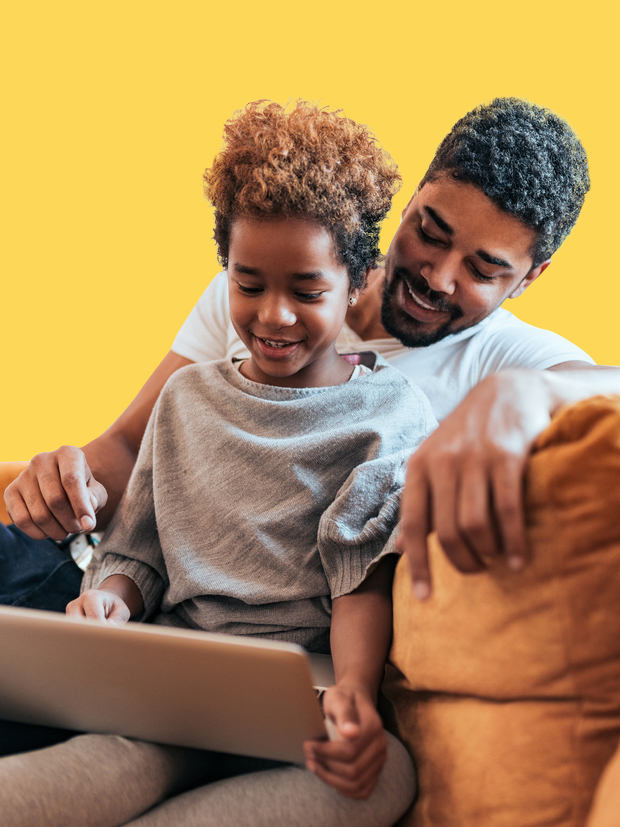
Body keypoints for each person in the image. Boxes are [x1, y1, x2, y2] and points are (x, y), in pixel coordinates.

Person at [3, 97, 615, 606]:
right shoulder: (268, 284)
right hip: (98, 575)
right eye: (431, 233)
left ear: (530, 277)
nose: (438, 276)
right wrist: (65, 481)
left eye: (483, 269)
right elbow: (131, 445)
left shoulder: (502, 358)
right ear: (411, 200)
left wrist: (525, 390)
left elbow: (605, 387)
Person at [0, 100, 427, 825]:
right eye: (248, 284)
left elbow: (360, 575)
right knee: (116, 760)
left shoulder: (391, 415)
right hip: (174, 676)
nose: (274, 315)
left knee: (386, 773)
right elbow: (138, 552)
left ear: (358, 282)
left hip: (302, 692)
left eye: (307, 291)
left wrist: (355, 687)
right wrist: (112, 601)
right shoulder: (187, 398)